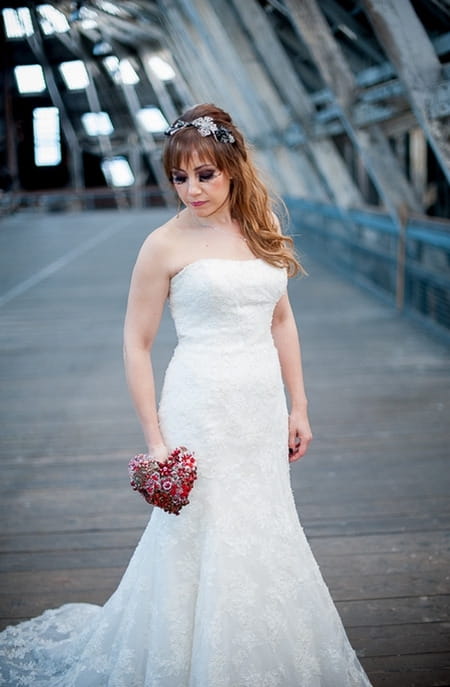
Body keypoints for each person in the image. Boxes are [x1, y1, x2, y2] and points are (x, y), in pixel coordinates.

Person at [0, 104, 372, 686]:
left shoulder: (261, 226)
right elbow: (136, 342)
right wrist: (154, 440)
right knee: (200, 531)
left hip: (257, 406)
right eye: (179, 177)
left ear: (232, 168)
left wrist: (298, 405)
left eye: (205, 175)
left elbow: (281, 321)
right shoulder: (162, 245)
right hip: (199, 405)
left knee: (263, 522)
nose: (192, 190)